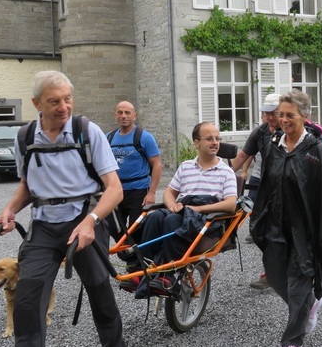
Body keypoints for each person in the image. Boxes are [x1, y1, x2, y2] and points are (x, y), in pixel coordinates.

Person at [0, 71, 128, 347]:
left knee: (99, 288)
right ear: (37, 104)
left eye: (68, 99)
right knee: (27, 301)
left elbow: (114, 189)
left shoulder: (86, 131)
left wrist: (91, 220)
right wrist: (10, 209)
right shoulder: (25, 137)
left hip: (85, 219)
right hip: (45, 227)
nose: (64, 106)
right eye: (55, 101)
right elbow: (27, 185)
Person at [250, 90, 322, 347]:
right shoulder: (273, 145)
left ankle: (293, 344)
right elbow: (267, 186)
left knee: (297, 284)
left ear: (304, 117)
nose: (283, 120)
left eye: (289, 115)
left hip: (304, 229)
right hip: (276, 224)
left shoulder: (314, 150)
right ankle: (311, 304)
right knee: (274, 275)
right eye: (280, 114)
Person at [133, 121, 238, 296]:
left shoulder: (225, 171)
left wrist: (199, 209)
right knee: (154, 217)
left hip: (208, 217)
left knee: (171, 219)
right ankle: (143, 268)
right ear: (196, 143)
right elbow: (169, 192)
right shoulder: (186, 166)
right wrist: (171, 204)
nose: (215, 143)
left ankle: (168, 275)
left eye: (217, 139)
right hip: (184, 209)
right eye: (209, 139)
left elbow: (231, 204)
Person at [231, 93, 282, 290]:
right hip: (262, 184)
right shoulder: (260, 132)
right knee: (258, 230)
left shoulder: (293, 132)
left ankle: (275, 273)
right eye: (267, 112)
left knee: (281, 231)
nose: (270, 117)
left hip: (284, 188)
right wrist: (221, 175)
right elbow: (243, 155)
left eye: (274, 113)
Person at [107, 101, 162, 242]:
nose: (123, 116)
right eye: (120, 112)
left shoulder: (144, 137)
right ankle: (131, 257)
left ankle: (135, 261)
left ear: (134, 116)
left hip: (138, 191)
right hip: (116, 191)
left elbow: (157, 165)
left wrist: (152, 193)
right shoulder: (108, 138)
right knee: (113, 227)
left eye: (127, 113)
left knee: (136, 229)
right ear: (115, 116)